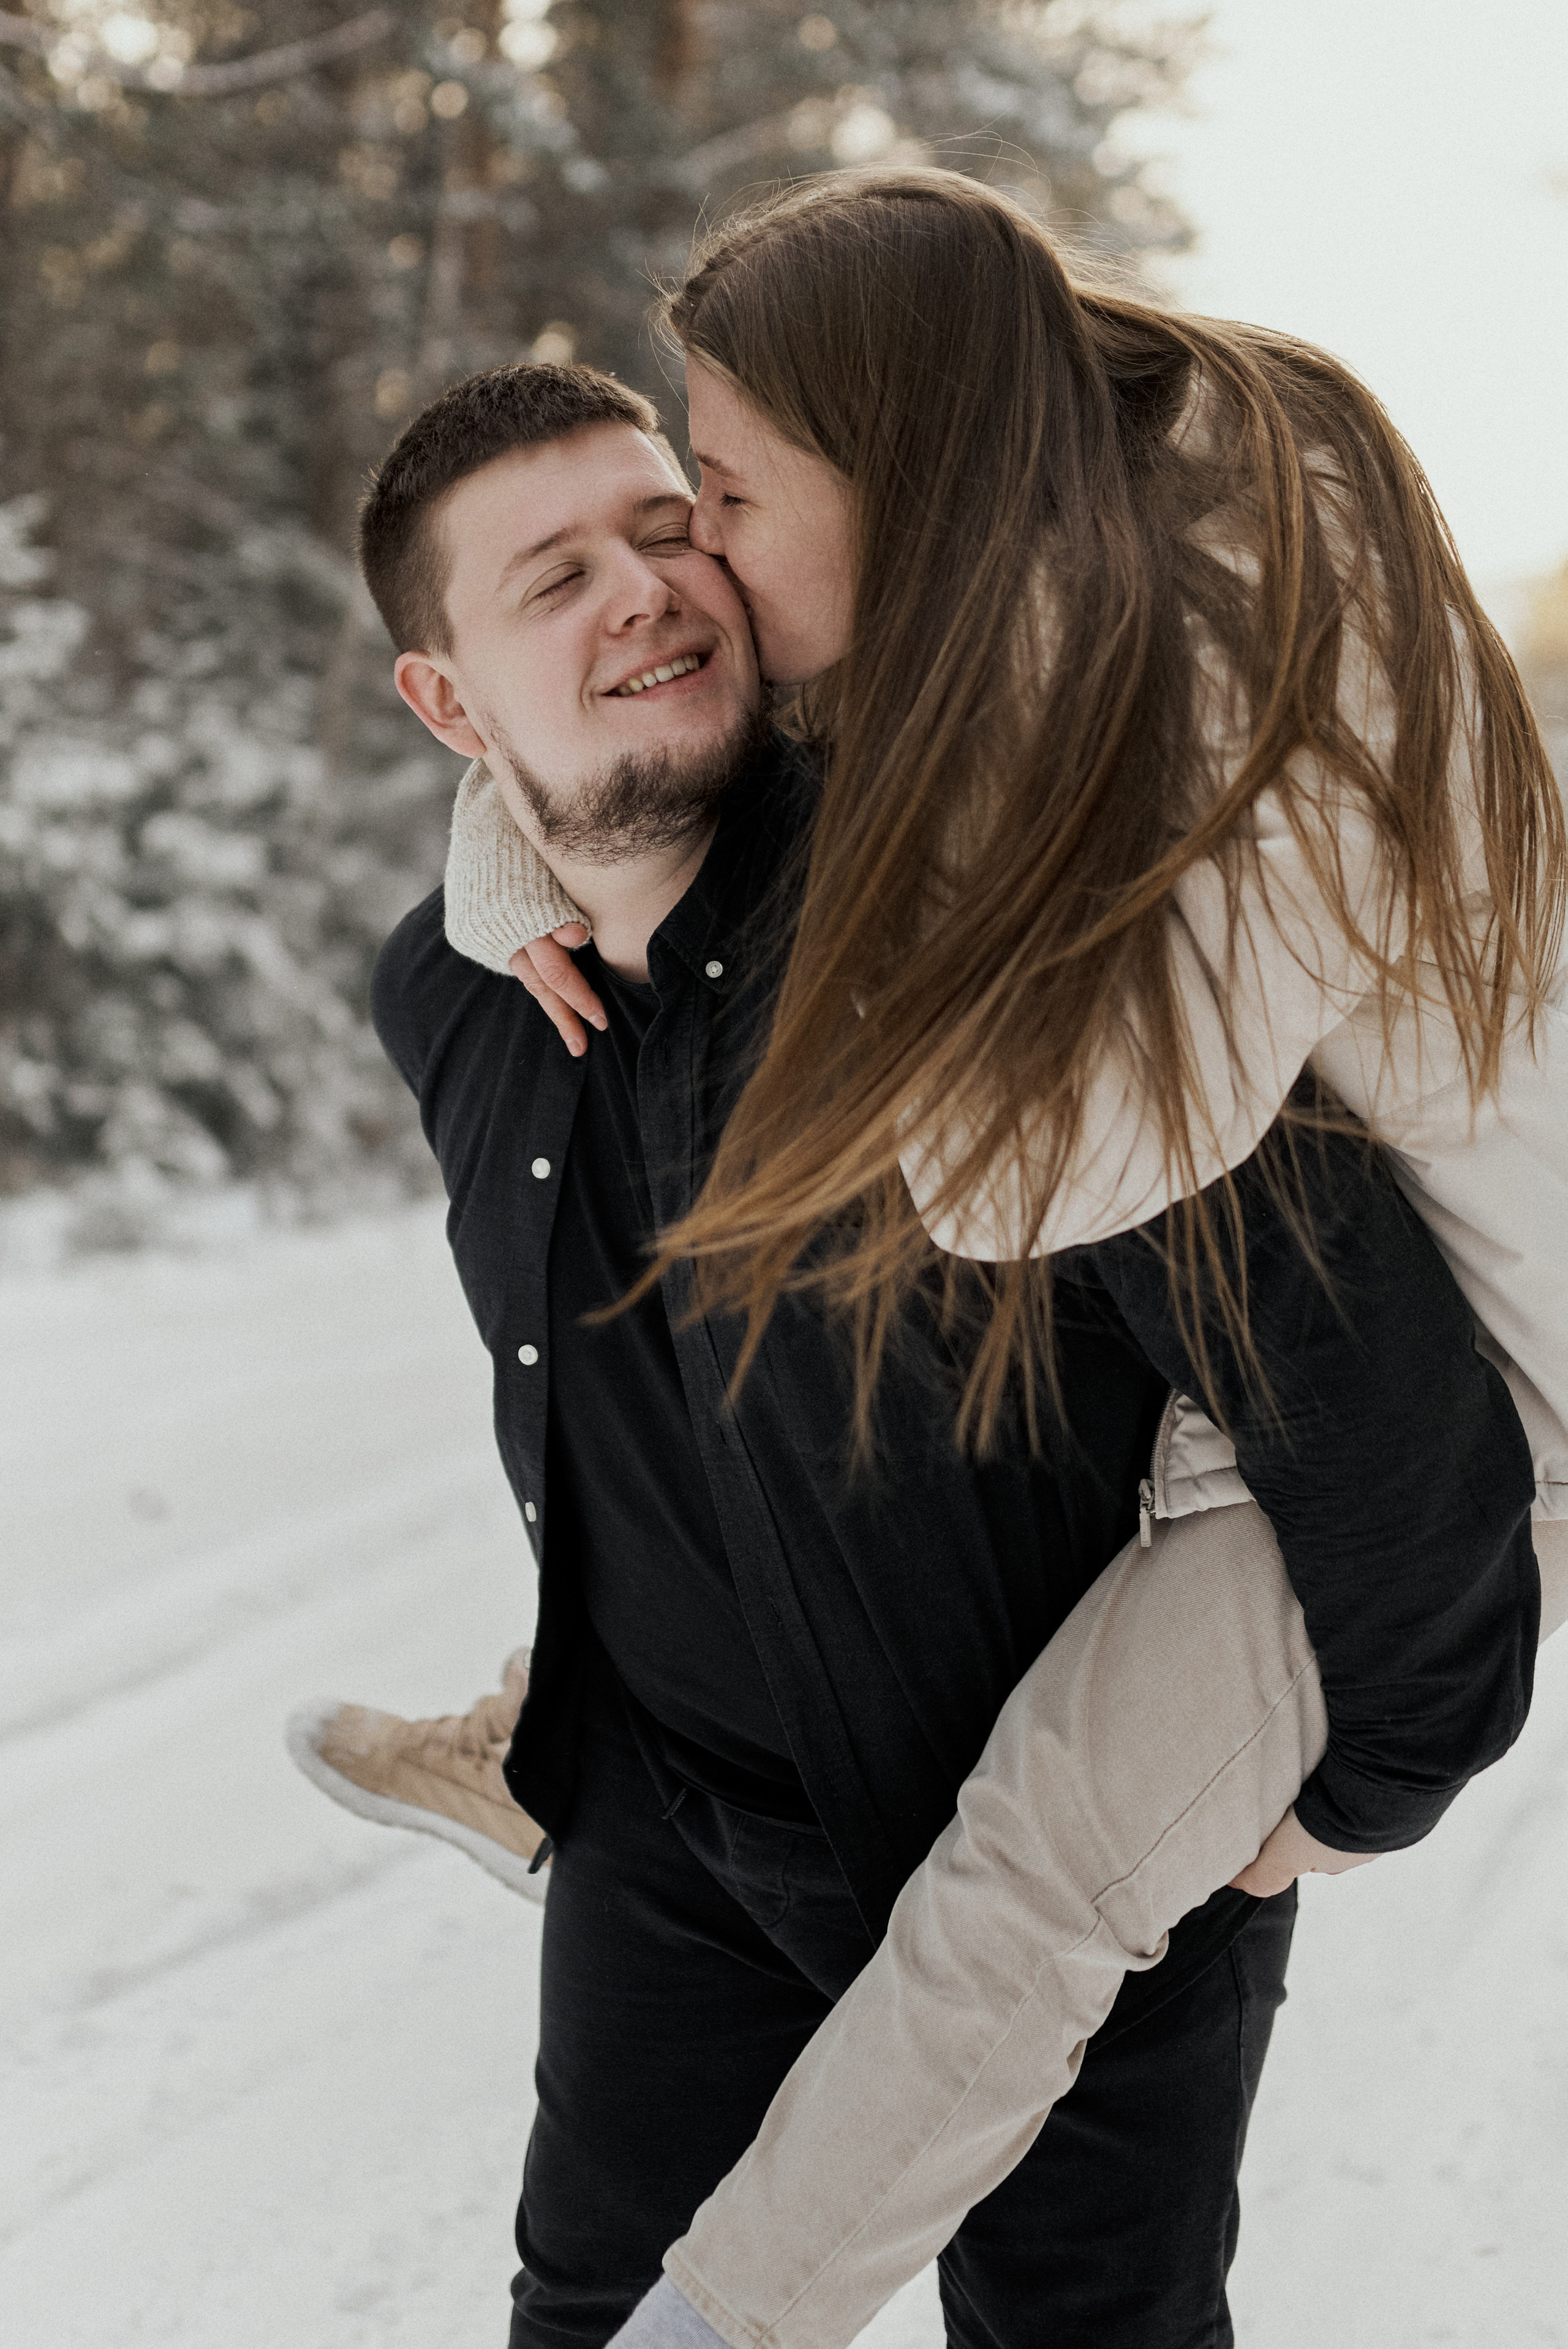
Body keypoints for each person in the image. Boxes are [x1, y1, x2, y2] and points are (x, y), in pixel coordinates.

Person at [290, 326, 1549, 2349]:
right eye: (556, 577)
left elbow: (1368, 1373)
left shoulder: (981, 923)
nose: (646, 590)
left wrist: (1390, 1763)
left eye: (668, 526)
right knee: (588, 2315)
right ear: (447, 700)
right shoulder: (455, 995)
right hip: (669, 1849)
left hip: (1045, 1864)